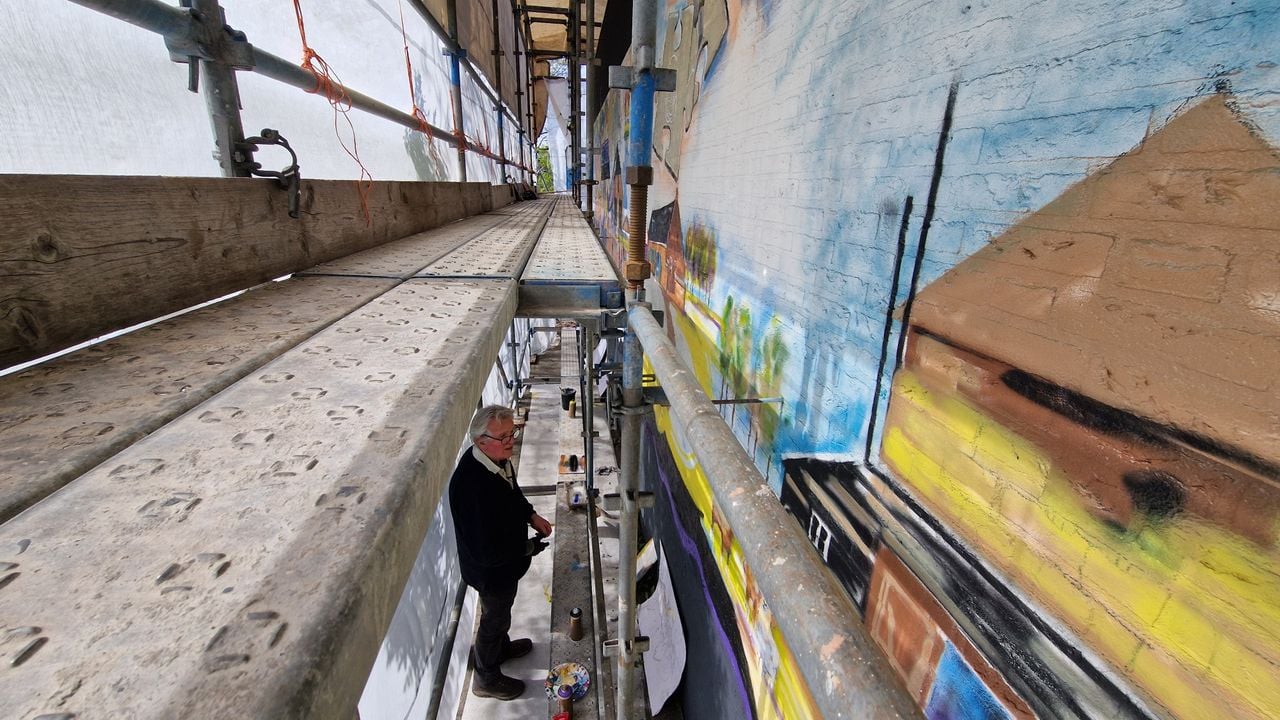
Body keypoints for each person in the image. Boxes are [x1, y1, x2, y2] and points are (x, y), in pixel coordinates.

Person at [449, 405, 553, 700]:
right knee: (493, 619)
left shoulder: (496, 459)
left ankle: (500, 648)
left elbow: (513, 493)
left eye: (513, 433)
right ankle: (486, 677)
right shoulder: (471, 486)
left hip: (504, 565)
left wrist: (531, 516)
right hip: (491, 572)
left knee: (501, 614)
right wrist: (526, 548)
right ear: (481, 442)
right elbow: (486, 552)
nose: (511, 441)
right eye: (504, 436)